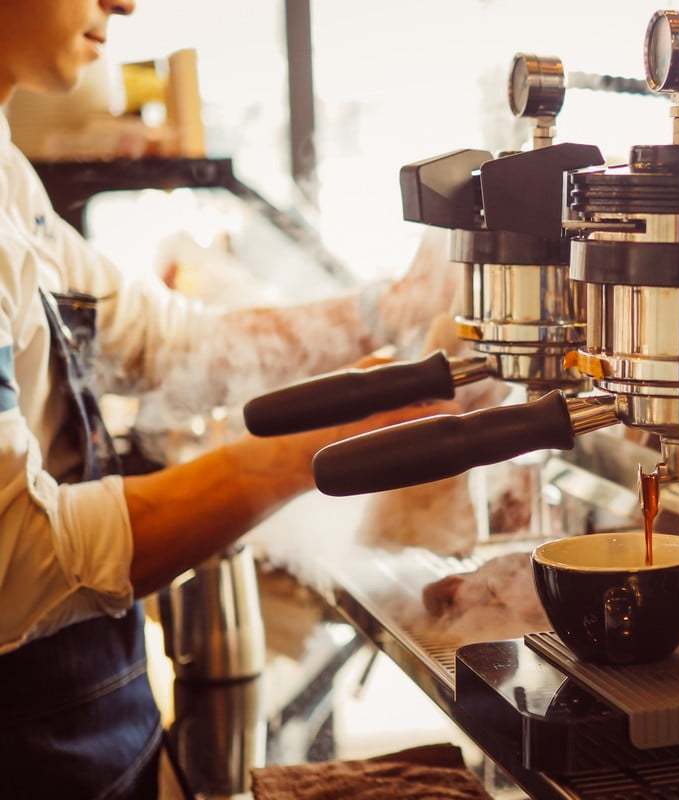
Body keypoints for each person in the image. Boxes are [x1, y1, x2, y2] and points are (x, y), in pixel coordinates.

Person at [0, 1, 462, 797]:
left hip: (92, 737)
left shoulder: (7, 173)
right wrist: (312, 452)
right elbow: (19, 563)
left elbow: (170, 342)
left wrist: (393, 309)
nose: (124, 3)